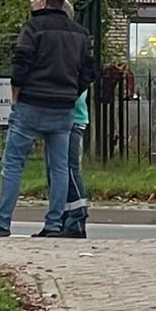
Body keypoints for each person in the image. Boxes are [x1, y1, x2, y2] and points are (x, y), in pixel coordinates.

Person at [0, 0, 98, 239]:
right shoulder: (80, 33)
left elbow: (21, 61)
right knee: (60, 167)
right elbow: (90, 70)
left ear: (42, 1)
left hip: (32, 103)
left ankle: (2, 221)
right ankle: (53, 224)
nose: (31, 1)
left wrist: (16, 92)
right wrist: (72, 91)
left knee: (13, 162)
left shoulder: (33, 28)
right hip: (63, 108)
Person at [63, 88, 90, 240]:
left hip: (72, 120)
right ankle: (64, 218)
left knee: (69, 170)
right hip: (66, 120)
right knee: (59, 171)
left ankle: (76, 218)